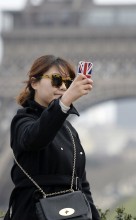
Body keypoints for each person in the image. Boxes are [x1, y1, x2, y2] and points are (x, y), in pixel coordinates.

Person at [4, 55, 100, 219]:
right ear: (34, 83)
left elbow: (82, 185)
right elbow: (36, 137)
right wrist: (65, 101)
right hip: (32, 213)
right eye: (56, 80)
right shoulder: (22, 121)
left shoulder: (69, 130)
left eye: (68, 83)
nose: (63, 87)